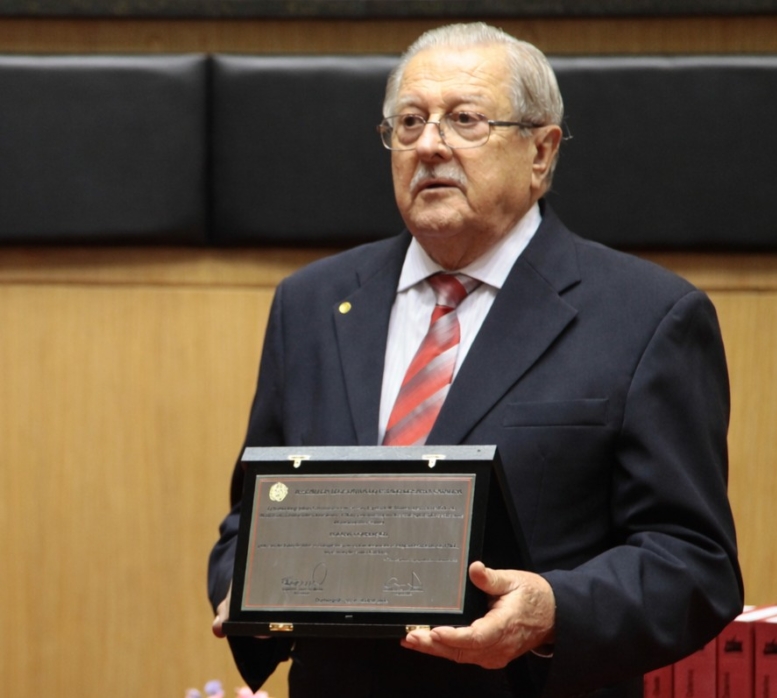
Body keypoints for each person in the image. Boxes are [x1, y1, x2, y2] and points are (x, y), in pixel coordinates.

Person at [208, 22, 743, 698]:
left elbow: (694, 562)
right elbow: (250, 518)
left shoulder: (648, 317)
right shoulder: (311, 304)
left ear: (541, 152)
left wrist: (553, 610)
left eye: (465, 120)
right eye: (409, 122)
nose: (430, 144)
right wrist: (243, 588)